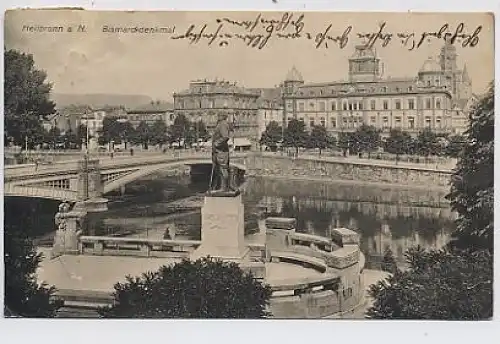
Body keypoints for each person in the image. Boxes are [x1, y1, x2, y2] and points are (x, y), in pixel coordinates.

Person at [211, 113, 232, 192]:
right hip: (218, 151)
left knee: (223, 169)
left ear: (223, 116)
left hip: (221, 151)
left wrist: (217, 143)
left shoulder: (222, 124)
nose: (217, 116)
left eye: (219, 115)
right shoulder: (221, 124)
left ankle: (224, 188)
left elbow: (225, 137)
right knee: (221, 169)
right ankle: (223, 187)